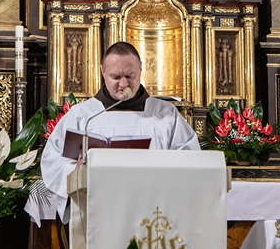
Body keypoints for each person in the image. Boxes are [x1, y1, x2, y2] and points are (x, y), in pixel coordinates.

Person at [41, 41, 199, 220]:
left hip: (154, 209)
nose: (124, 84)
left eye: (130, 76)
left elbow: (190, 159)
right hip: (99, 210)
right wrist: (78, 173)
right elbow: (52, 161)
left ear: (140, 70)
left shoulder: (165, 114)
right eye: (115, 77)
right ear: (103, 71)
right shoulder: (83, 115)